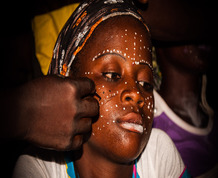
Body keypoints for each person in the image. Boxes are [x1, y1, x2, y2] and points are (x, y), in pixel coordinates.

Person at [13, 0, 190, 177]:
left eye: (146, 84)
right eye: (112, 75)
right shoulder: (40, 168)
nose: (136, 94)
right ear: (66, 82)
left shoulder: (159, 153)